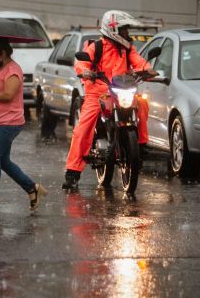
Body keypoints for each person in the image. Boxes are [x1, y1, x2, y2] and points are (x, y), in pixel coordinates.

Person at [63, 10, 157, 190]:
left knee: (143, 103)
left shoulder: (127, 48)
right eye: (124, 30)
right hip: (97, 93)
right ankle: (72, 172)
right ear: (113, 29)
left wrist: (148, 69)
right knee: (82, 129)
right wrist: (85, 71)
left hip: (121, 91)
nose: (127, 34)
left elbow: (138, 62)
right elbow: (82, 63)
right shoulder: (95, 47)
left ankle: (140, 147)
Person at [0, 37, 47, 215]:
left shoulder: (13, 70)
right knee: (3, 161)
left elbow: (8, 94)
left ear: (3, 53)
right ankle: (32, 188)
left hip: (10, 122)